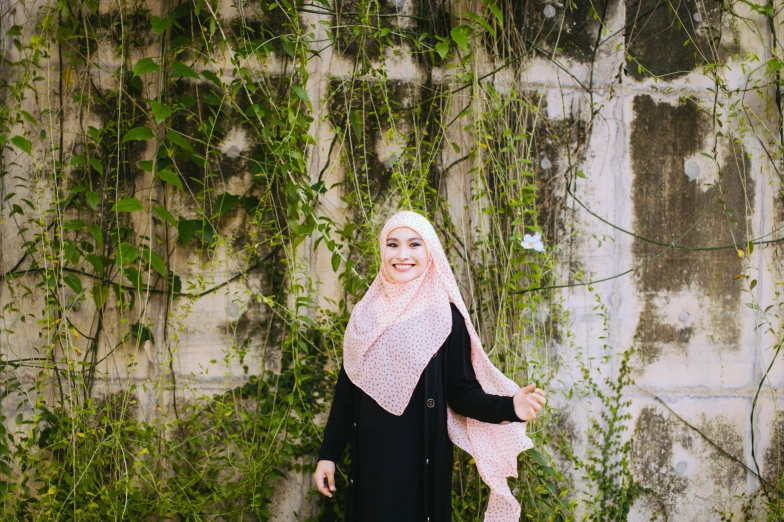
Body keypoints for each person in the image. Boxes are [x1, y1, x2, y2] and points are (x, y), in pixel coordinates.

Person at [313, 210, 547, 522]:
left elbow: (461, 392)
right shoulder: (365, 314)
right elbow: (347, 392)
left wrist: (510, 407)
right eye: (392, 244)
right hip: (371, 464)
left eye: (414, 244)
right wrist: (328, 454)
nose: (402, 255)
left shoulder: (446, 318)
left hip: (421, 462)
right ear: (382, 249)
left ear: (430, 252)